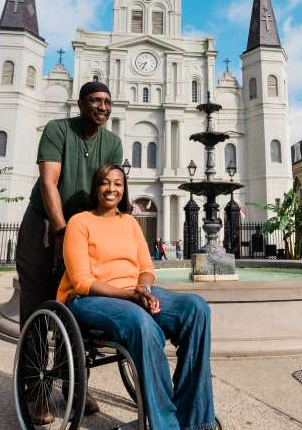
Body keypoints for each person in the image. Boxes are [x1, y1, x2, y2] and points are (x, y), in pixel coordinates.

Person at [58, 164, 216, 430]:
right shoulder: (80, 222)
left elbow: (146, 268)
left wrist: (142, 289)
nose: (111, 189)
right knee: (142, 323)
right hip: (91, 298)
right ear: (96, 187)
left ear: (124, 188)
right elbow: (82, 281)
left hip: (134, 293)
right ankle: (164, 424)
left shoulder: (130, 222)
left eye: (118, 184)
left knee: (196, 308)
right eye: (105, 183)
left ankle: (194, 418)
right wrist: (129, 296)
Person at [15, 81, 121, 421]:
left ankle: (72, 382)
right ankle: (36, 390)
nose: (101, 107)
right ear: (80, 103)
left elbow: (108, 190)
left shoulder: (112, 143)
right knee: (37, 306)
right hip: (45, 227)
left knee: (72, 306)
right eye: (94, 100)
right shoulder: (58, 129)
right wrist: (60, 231)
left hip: (80, 232)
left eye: (106, 101)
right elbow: (49, 181)